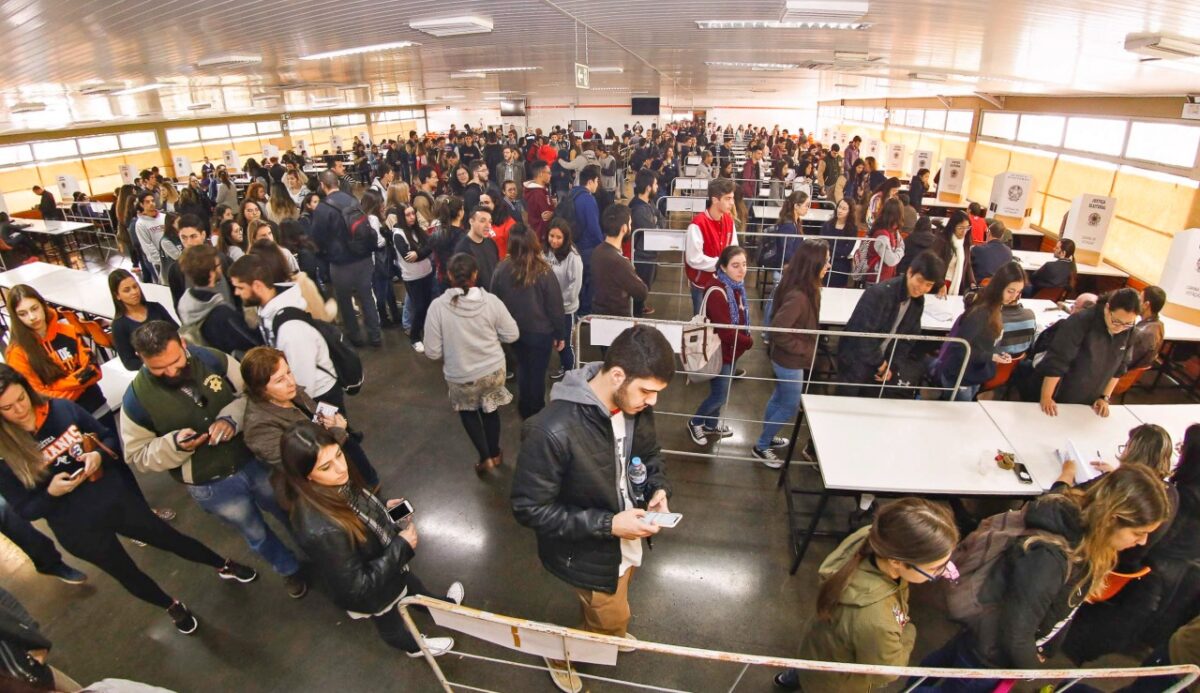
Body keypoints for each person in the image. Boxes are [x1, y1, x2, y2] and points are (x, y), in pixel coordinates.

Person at [0, 365, 256, 635]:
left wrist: (99, 455)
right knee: (125, 572)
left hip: (114, 499)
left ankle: (221, 564)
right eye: (7, 408)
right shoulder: (5, 452)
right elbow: (25, 509)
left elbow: (108, 435)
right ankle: (170, 606)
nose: (19, 409)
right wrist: (51, 492)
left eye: (21, 398)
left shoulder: (61, 409)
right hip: (77, 528)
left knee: (168, 537)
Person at [511, 325, 675, 693]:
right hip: (589, 551)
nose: (653, 402)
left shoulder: (634, 407)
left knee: (610, 605)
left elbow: (648, 455)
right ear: (618, 374)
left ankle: (604, 632)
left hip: (624, 540)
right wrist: (609, 525)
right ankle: (561, 652)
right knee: (610, 615)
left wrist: (656, 488)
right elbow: (528, 509)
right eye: (647, 391)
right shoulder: (550, 429)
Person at [915, 465, 1171, 692]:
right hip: (991, 654)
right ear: (1111, 519)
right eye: (1138, 532)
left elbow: (1057, 609)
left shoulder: (1082, 526)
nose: (1143, 541)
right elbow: (1015, 634)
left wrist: (1045, 648)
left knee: (942, 665)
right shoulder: (1049, 559)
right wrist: (1032, 670)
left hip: (987, 635)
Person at [120, 321, 307, 598]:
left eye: (175, 362)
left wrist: (231, 418)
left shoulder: (212, 359)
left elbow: (252, 393)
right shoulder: (136, 400)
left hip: (253, 460)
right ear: (141, 359)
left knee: (290, 510)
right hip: (212, 484)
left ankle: (316, 550)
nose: (171, 372)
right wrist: (173, 445)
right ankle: (288, 569)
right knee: (255, 533)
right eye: (159, 369)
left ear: (183, 344)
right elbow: (137, 455)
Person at [276, 421, 462, 657]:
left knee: (415, 589)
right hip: (376, 591)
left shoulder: (334, 484)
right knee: (391, 623)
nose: (340, 468)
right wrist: (401, 547)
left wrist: (385, 508)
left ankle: (443, 609)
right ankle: (416, 647)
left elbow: (360, 511)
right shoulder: (320, 528)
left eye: (339, 455)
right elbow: (357, 587)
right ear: (306, 476)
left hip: (391, 564)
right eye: (325, 466)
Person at [774, 498, 960, 691]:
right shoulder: (876, 620)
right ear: (896, 562)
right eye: (934, 568)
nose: (941, 572)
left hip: (818, 647)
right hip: (838, 684)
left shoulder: (875, 537)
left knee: (810, 671)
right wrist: (908, 632)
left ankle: (795, 677)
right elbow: (886, 672)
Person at [1065, 424, 1200, 671]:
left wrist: (1104, 480)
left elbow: (1072, 504)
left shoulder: (1167, 503)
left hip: (1108, 571)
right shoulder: (1174, 495)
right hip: (1148, 589)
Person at [423, 253, 519, 475]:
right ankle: (496, 453)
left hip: (461, 375)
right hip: (494, 371)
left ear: (448, 275)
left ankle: (484, 458)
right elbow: (512, 334)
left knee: (468, 412)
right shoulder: (491, 302)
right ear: (476, 274)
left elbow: (432, 351)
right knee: (490, 409)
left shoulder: (438, 307)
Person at [240, 347, 376, 489]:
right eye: (280, 380)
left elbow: (314, 419)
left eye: (288, 372)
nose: (291, 382)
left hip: (341, 467)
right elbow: (299, 465)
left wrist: (328, 424)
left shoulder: (290, 392)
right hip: (324, 487)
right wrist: (337, 432)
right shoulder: (259, 427)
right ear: (260, 389)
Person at [753, 240, 828, 466]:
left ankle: (768, 436)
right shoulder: (799, 296)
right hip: (789, 361)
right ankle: (762, 445)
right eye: (825, 261)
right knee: (789, 404)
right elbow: (779, 330)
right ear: (813, 264)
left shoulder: (801, 287)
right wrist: (805, 348)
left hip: (786, 359)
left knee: (779, 398)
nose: (828, 265)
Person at [5, 285, 113, 431]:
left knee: (114, 451)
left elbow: (94, 371)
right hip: (63, 422)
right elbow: (37, 395)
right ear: (16, 317)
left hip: (97, 407)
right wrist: (81, 384)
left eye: (34, 308)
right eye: (23, 313)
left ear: (43, 305)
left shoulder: (68, 331)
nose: (32, 317)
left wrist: (55, 386)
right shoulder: (17, 353)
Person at [838, 252, 946, 395]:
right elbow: (863, 335)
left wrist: (892, 365)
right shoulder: (879, 294)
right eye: (920, 281)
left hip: (879, 366)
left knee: (867, 408)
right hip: (854, 362)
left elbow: (908, 339)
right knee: (845, 405)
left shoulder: (917, 302)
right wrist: (880, 363)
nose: (922, 288)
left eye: (928, 285)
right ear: (909, 272)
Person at [490, 228, 566, 419]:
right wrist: (560, 334)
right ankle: (537, 411)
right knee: (538, 373)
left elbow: (494, 300)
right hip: (540, 334)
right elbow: (555, 306)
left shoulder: (501, 269)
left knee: (523, 368)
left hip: (513, 333)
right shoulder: (544, 271)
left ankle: (525, 409)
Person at [1037, 287, 1141, 417]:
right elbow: (1058, 360)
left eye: (1127, 324)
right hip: (1063, 391)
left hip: (1092, 396)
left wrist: (1104, 397)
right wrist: (1047, 397)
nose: (1120, 328)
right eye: (1116, 321)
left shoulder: (1129, 330)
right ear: (1107, 308)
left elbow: (1120, 367)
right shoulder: (1081, 321)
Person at [686, 246, 753, 446]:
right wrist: (748, 341)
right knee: (720, 395)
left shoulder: (735, 286)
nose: (742, 270)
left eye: (744, 264)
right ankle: (695, 422)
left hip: (732, 351)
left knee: (720, 391)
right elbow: (725, 332)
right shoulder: (718, 291)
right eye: (735, 266)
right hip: (721, 351)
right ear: (723, 267)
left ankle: (711, 423)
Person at [929, 262, 1026, 401]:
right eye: (1011, 291)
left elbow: (982, 343)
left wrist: (997, 353)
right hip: (960, 376)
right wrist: (991, 357)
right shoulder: (981, 312)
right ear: (999, 287)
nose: (1014, 297)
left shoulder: (996, 307)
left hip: (973, 374)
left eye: (1018, 292)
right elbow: (960, 347)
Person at [311, 171, 382, 348]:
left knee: (345, 301)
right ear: (337, 182)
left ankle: (355, 336)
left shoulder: (322, 208)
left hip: (340, 263)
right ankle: (375, 335)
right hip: (363, 258)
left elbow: (316, 239)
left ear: (322, 185)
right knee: (367, 297)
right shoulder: (353, 200)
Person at [177, 244, 261, 356]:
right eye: (218, 265)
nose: (221, 268)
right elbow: (254, 342)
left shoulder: (185, 303)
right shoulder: (222, 314)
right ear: (211, 274)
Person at [685, 178, 739, 313]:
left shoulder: (728, 221)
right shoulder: (697, 225)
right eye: (728, 198)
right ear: (715, 200)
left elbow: (734, 249)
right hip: (702, 286)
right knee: (701, 324)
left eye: (732, 198)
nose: (732, 203)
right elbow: (693, 259)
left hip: (723, 284)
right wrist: (721, 264)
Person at [109, 269, 177, 371]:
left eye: (135, 286)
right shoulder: (119, 326)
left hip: (175, 359)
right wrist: (158, 363)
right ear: (117, 295)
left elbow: (177, 331)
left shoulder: (156, 307)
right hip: (154, 372)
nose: (134, 292)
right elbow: (129, 362)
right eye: (127, 290)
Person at [591, 204, 648, 318]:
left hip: (598, 316)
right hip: (617, 319)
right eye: (630, 224)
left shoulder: (597, 251)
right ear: (624, 228)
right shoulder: (620, 262)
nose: (631, 227)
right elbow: (642, 292)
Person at [392, 204, 435, 353]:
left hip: (427, 273)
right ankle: (415, 337)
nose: (411, 217)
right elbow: (409, 257)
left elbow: (431, 245)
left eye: (412, 214)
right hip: (413, 278)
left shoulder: (418, 230)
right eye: (407, 214)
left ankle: (427, 333)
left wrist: (418, 252)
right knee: (419, 308)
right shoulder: (398, 234)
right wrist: (422, 252)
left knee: (429, 306)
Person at [545, 219, 583, 379]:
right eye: (551, 236)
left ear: (566, 238)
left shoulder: (573, 257)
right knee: (551, 340)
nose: (554, 240)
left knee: (564, 344)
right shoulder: (545, 251)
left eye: (558, 237)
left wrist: (559, 305)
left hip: (565, 309)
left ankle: (570, 372)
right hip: (546, 306)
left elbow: (574, 287)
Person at [567, 166, 604, 316]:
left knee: (577, 279)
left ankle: (576, 309)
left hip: (574, 244)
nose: (598, 185)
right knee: (589, 280)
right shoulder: (588, 199)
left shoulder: (572, 194)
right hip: (587, 246)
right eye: (597, 181)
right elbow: (593, 226)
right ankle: (585, 311)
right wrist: (603, 244)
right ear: (590, 182)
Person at [628, 169, 665, 317]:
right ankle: (637, 317)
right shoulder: (638, 209)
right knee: (641, 288)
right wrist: (657, 222)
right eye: (655, 184)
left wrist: (657, 221)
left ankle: (640, 307)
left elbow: (661, 220)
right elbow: (655, 231)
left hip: (650, 254)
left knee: (645, 286)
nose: (657, 187)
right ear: (648, 187)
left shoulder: (649, 203)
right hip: (642, 257)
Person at [454, 207, 501, 291]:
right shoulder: (463, 249)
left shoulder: (491, 242)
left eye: (490, 221)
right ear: (471, 221)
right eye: (482, 221)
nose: (488, 226)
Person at [933, 209, 975, 295]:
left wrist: (972, 282)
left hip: (957, 284)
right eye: (960, 228)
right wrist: (940, 283)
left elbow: (968, 264)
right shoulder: (942, 241)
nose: (964, 232)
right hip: (941, 284)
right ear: (953, 226)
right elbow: (933, 264)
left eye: (967, 228)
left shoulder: (965, 243)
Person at [865, 198, 905, 285]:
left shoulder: (893, 231)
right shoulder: (882, 235)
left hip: (884, 279)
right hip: (876, 281)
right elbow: (891, 260)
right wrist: (900, 251)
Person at [1129, 285, 1166, 370]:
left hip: (1121, 377)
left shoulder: (1142, 333)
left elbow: (1125, 363)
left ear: (1146, 305)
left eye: (1139, 300)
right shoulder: (1160, 325)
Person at [133, 191, 165, 282]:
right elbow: (147, 246)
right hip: (158, 263)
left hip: (172, 257)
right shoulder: (140, 224)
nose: (151, 204)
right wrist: (159, 262)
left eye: (152, 201)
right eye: (147, 202)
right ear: (141, 204)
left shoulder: (164, 217)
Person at [969, 218, 1013, 282]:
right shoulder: (1009, 252)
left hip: (980, 288)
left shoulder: (977, 250)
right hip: (999, 288)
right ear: (1002, 236)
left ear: (988, 233)